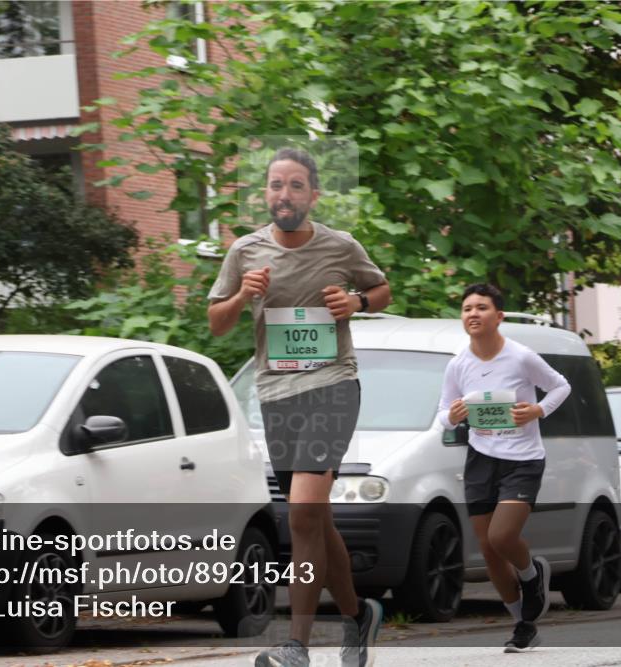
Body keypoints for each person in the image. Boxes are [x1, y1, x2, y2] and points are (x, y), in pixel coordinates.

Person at [208, 147, 391, 667]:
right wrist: (242, 296)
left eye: (294, 185)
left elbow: (381, 289)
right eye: (275, 185)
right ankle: (358, 615)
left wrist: (356, 303)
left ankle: (297, 645)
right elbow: (217, 323)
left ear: (313, 194)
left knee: (304, 511)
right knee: (315, 520)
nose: (284, 195)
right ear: (265, 193)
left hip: (333, 384)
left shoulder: (340, 245)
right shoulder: (245, 251)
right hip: (276, 392)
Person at [434, 284, 570, 653]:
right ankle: (523, 624)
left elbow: (561, 386)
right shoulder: (458, 364)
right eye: (467, 308)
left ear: (499, 316)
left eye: (481, 307)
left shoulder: (521, 357)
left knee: (502, 536)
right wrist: (453, 416)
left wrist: (538, 409)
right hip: (481, 459)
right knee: (489, 549)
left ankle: (531, 574)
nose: (472, 314)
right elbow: (443, 414)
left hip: (523, 459)